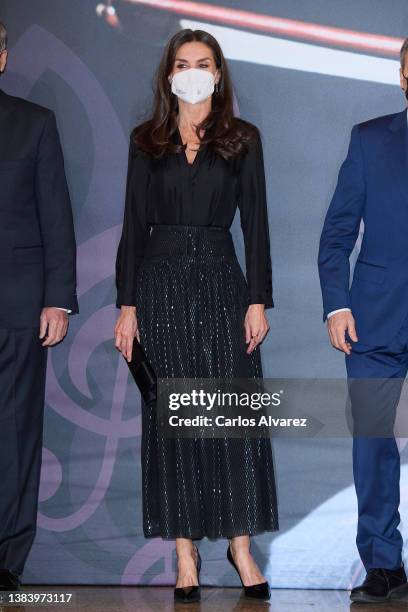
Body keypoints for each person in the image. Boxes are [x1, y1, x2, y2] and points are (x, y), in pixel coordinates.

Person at [114, 28, 277, 603]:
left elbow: (256, 224)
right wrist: (126, 307)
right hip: (158, 290)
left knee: (230, 419)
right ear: (168, 74)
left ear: (218, 72)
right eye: (182, 63)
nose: (192, 71)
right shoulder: (146, 141)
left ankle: (240, 547)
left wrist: (258, 299)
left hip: (221, 287)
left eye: (202, 63)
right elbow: (133, 226)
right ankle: (184, 556)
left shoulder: (243, 140)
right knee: (174, 423)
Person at [318, 36, 408, 605]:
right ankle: (382, 562)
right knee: (373, 444)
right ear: (404, 74)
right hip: (375, 320)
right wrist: (338, 302)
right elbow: (336, 233)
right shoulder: (371, 140)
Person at [0, 22, 78, 590]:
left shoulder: (33, 124)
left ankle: (6, 560)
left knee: (15, 434)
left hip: (18, 307)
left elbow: (56, 216)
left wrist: (57, 299)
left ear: (2, 56)